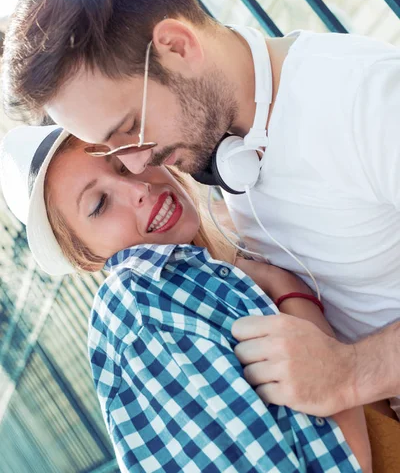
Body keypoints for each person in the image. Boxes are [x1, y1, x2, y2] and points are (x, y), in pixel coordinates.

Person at [2, 0, 400, 418]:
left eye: (129, 129)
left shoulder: (366, 100)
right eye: (113, 151)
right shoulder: (223, 144)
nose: (136, 167)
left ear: (178, 47)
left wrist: (351, 371)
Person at [0, 124, 371, 473]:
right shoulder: (136, 307)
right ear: (86, 255)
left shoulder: (214, 262)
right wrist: (290, 293)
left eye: (124, 164)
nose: (137, 190)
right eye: (99, 204)